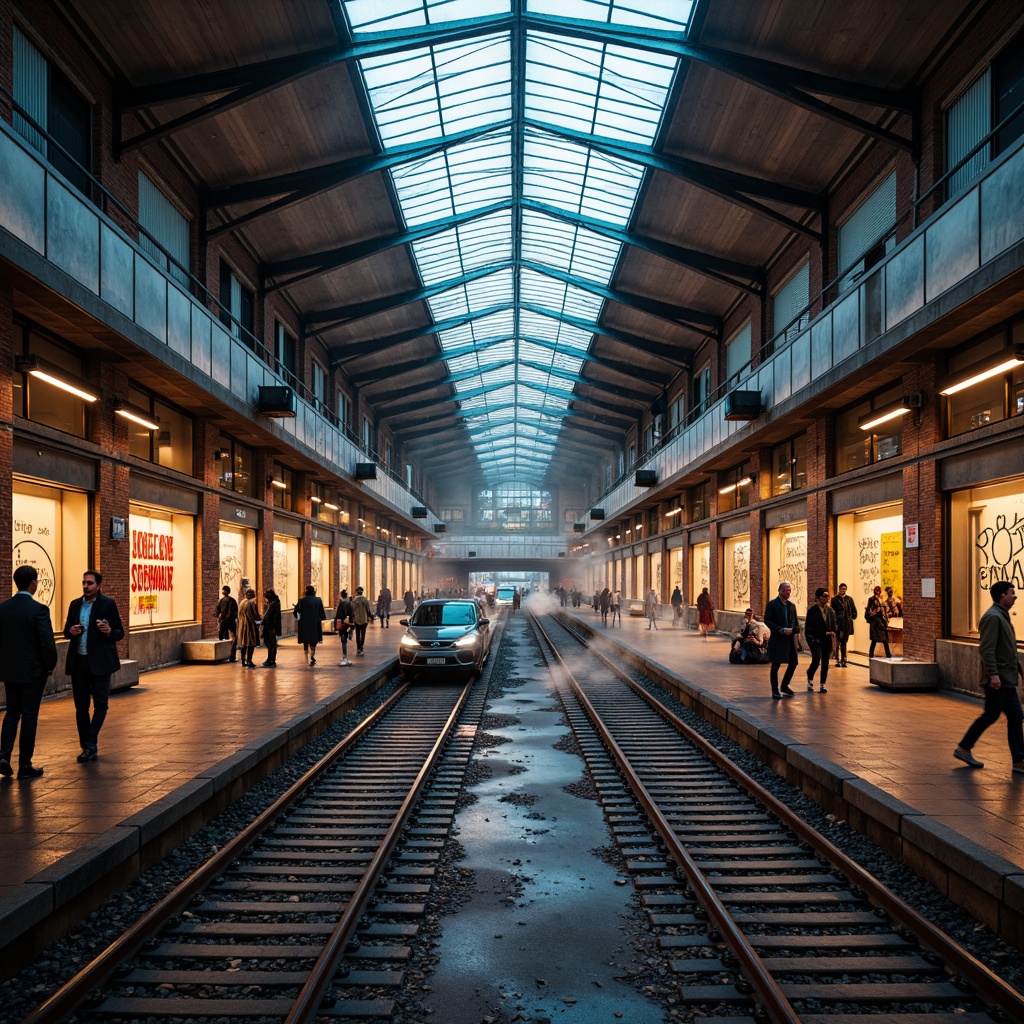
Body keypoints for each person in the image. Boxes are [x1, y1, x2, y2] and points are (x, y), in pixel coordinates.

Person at [954, 582, 1024, 774]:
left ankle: (1019, 760)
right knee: (992, 715)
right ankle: (964, 748)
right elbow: (987, 649)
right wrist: (993, 675)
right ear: (1002, 595)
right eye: (1012, 593)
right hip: (998, 679)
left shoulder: (1001, 615)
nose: (1015, 596)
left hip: (1005, 678)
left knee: (1016, 716)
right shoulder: (993, 617)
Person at [0, 565, 59, 780]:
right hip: (33, 672)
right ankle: (25, 765)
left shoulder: (3, 608)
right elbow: (47, 644)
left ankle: (3, 754)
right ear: (33, 583)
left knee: (11, 712)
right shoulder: (39, 610)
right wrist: (50, 665)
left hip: (9, 670)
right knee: (29, 715)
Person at [62, 570, 124, 763]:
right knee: (81, 707)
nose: (86, 586)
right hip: (79, 662)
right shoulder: (74, 605)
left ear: (98, 586)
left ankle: (90, 742)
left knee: (100, 704)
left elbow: (119, 632)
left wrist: (108, 631)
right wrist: (71, 631)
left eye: (89, 583)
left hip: (100, 663)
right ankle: (86, 746)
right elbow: (66, 631)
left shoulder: (107, 604)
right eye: (84, 583)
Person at [765, 580, 800, 699]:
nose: (788, 592)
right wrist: (780, 629)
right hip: (778, 638)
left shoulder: (791, 606)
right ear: (780, 591)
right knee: (775, 665)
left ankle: (785, 685)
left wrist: (794, 630)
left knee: (794, 662)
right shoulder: (772, 604)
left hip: (789, 639)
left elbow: (795, 621)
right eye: (785, 590)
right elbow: (767, 620)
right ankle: (774, 690)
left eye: (789, 590)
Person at [804, 588, 837, 693]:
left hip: (827, 639)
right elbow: (808, 628)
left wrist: (833, 632)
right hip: (816, 640)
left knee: (826, 662)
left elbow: (834, 624)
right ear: (818, 598)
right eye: (824, 596)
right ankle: (810, 675)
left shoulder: (830, 611)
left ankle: (822, 684)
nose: (826, 598)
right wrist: (811, 640)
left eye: (827, 596)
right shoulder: (812, 611)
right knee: (816, 659)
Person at [294, 584, 327, 666]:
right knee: (314, 640)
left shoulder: (302, 601)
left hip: (305, 624)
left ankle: (306, 652)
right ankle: (312, 655)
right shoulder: (318, 600)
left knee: (306, 639)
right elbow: (322, 614)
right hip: (315, 624)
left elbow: (296, 612)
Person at [830, 583, 857, 668]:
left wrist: (851, 617)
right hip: (838, 623)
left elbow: (854, 610)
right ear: (839, 589)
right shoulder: (834, 599)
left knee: (844, 642)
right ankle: (837, 659)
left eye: (844, 589)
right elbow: (832, 611)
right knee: (838, 642)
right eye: (842, 589)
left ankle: (844, 659)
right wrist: (834, 622)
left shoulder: (849, 599)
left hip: (846, 623)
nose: (843, 590)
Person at [236, 588, 261, 668]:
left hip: (242, 625)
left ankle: (243, 660)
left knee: (244, 643)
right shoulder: (249, 604)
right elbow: (250, 616)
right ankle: (249, 660)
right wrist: (256, 623)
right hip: (248, 626)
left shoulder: (242, 602)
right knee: (250, 643)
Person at [866, 586, 891, 658]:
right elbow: (869, 610)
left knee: (884, 639)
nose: (878, 592)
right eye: (876, 591)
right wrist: (874, 612)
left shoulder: (882, 600)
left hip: (881, 621)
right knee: (875, 639)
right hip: (875, 621)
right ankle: (871, 654)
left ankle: (888, 654)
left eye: (879, 591)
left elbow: (884, 609)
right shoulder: (871, 599)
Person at [216, 585, 238, 663]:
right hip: (231, 622)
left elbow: (217, 611)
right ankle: (232, 656)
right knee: (234, 639)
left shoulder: (221, 601)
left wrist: (219, 618)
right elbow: (235, 612)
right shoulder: (233, 600)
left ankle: (221, 656)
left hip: (223, 622)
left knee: (222, 638)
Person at [261, 590, 281, 667]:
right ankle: (270, 659)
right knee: (270, 643)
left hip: (270, 627)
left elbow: (272, 618)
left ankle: (271, 659)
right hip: (270, 627)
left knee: (271, 644)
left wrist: (266, 623)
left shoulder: (274, 605)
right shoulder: (273, 605)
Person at [334, 589, 354, 666]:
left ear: (341, 595)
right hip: (348, 624)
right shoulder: (349, 603)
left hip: (342, 625)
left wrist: (336, 627)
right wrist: (351, 626)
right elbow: (352, 615)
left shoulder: (342, 604)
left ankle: (345, 658)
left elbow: (338, 616)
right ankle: (345, 658)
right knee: (345, 640)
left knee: (343, 641)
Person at [351, 586, 372, 656]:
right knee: (363, 634)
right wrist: (370, 617)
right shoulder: (365, 600)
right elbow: (368, 610)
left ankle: (358, 648)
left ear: (356, 592)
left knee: (357, 634)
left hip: (357, 620)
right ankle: (362, 646)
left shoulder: (354, 600)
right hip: (364, 619)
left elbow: (352, 610)